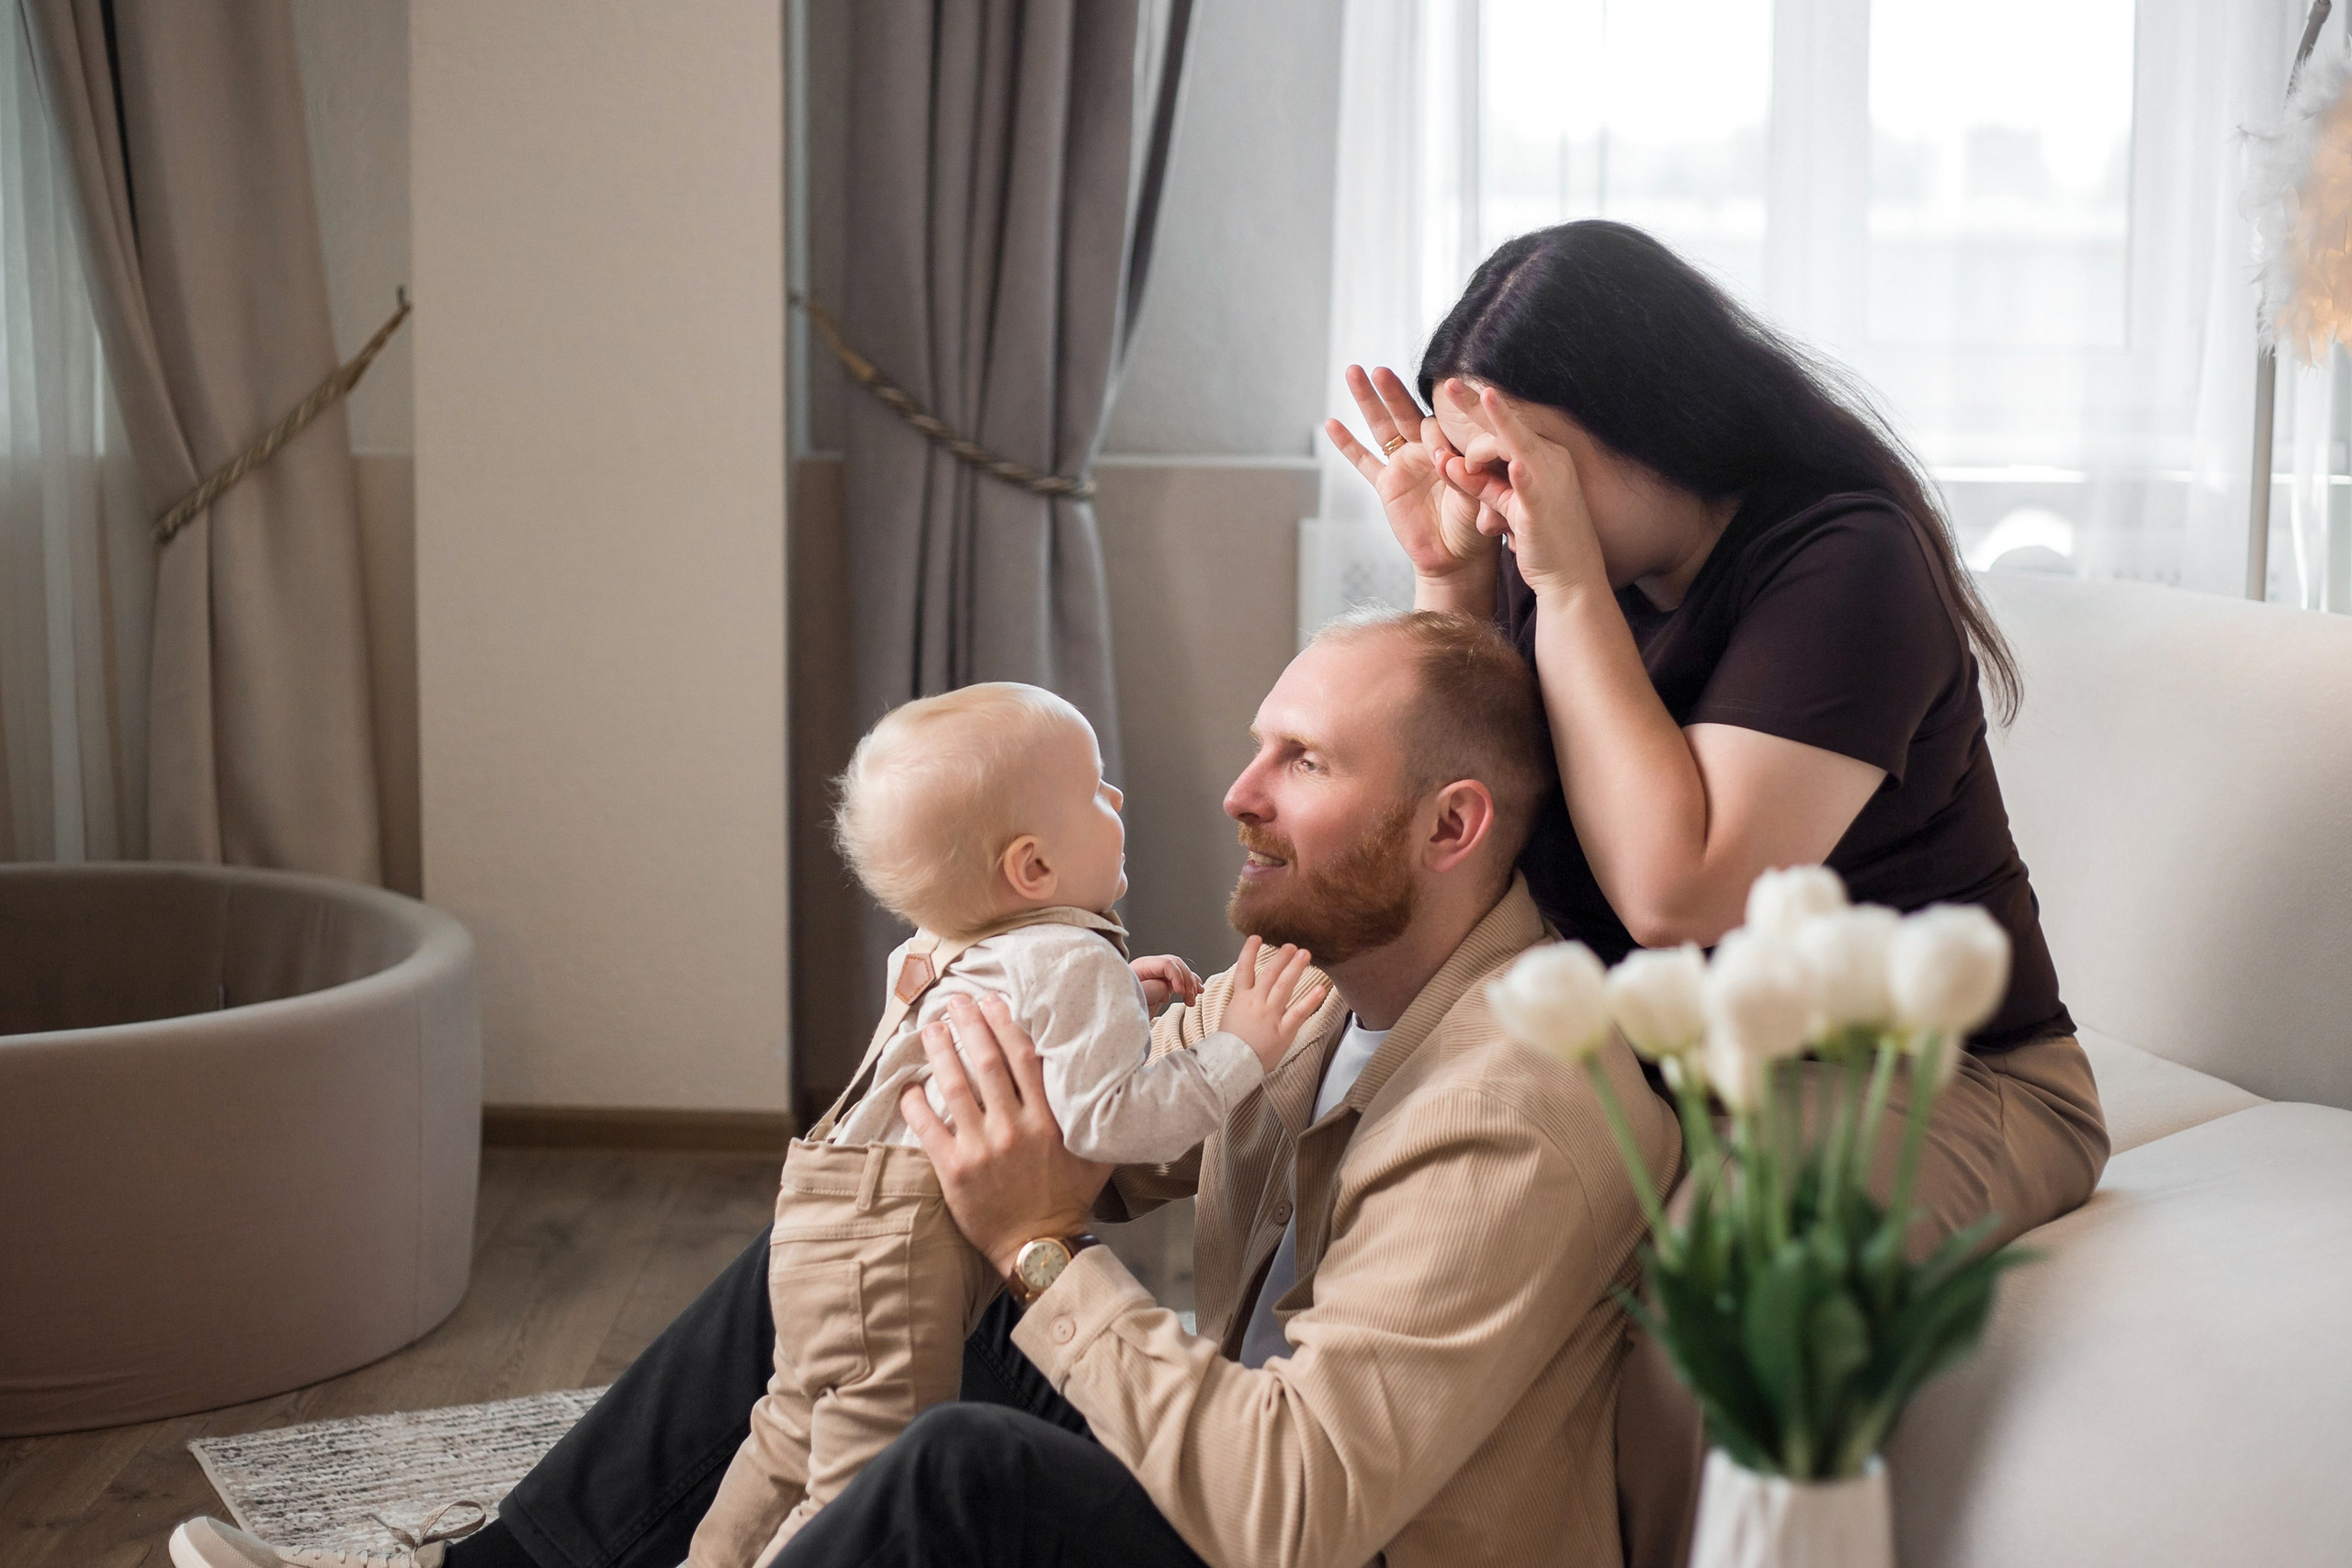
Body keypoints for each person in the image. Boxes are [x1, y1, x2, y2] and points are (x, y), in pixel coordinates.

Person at [165, 609, 1680, 1568]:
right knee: (856, 1241)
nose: (1235, 792)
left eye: (1300, 760)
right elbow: (1108, 1134)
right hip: (1222, 1459)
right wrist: (980, 1067)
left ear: (1449, 826)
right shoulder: (1321, 987)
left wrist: (1040, 1248)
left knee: (947, 1468)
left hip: (1301, 1532)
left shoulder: (1523, 1107)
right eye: (1254, 747)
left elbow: (1296, 1509)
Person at [1322, 218, 2111, 1566]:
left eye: (1515, 464)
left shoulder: (1845, 559)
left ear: (1643, 415)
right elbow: (1453, 829)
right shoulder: (1547, 563)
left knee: (1716, 1308)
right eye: (1481, 468)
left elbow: (1682, 893)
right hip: (1696, 1067)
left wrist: (1558, 577)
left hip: (1947, 1074)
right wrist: (1452, 571)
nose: (1500, 501)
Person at [681, 682, 1325, 1565]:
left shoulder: (951, 939)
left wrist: (1117, 1009)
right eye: (1098, 791)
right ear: (1032, 869)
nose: (1119, 801)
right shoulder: (1069, 960)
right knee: (864, 1478)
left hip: (822, 1212)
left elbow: (1033, 1034)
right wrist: (1240, 1050)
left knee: (790, 1427)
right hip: (900, 1244)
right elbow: (1110, 1119)